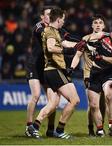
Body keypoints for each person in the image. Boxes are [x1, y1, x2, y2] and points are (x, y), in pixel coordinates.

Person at [27, 7, 81, 139]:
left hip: (50, 70)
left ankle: (34, 127)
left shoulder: (54, 31)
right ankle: (59, 130)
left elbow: (65, 42)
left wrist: (77, 45)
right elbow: (51, 47)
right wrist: (65, 51)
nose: (63, 22)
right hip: (54, 69)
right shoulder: (50, 31)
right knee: (74, 100)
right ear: (58, 19)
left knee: (53, 103)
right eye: (62, 19)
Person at [69, 14, 107, 136]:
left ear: (104, 25)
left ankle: (102, 126)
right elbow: (77, 56)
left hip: (105, 74)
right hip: (89, 74)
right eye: (95, 22)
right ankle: (92, 128)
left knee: (103, 104)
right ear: (92, 25)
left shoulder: (108, 38)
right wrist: (71, 68)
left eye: (100, 23)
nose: (98, 25)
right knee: (93, 104)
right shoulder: (85, 39)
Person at [86, 24, 112, 137]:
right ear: (110, 33)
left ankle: (111, 126)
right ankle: (99, 130)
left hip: (108, 74)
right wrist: (89, 46)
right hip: (95, 73)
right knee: (93, 104)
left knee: (108, 96)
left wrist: (101, 57)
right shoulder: (103, 37)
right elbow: (89, 40)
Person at [25, 6, 57, 137]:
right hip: (34, 65)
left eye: (52, 14)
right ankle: (29, 127)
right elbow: (42, 33)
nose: (50, 16)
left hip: (46, 67)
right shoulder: (39, 27)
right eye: (48, 14)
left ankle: (50, 129)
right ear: (42, 17)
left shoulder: (54, 29)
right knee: (36, 95)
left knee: (53, 100)